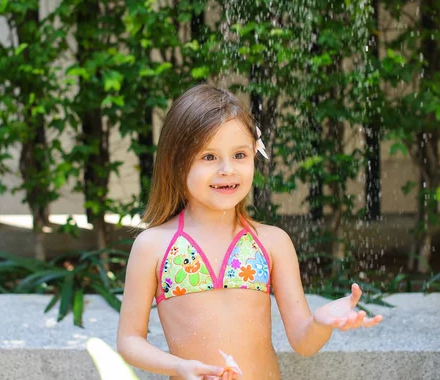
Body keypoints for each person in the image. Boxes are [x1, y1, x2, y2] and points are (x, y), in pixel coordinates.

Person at [116, 84, 383, 380]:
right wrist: (178, 366)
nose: (227, 169)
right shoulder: (153, 245)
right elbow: (129, 341)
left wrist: (320, 323)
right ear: (176, 162)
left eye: (240, 155)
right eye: (209, 157)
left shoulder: (272, 242)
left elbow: (304, 343)